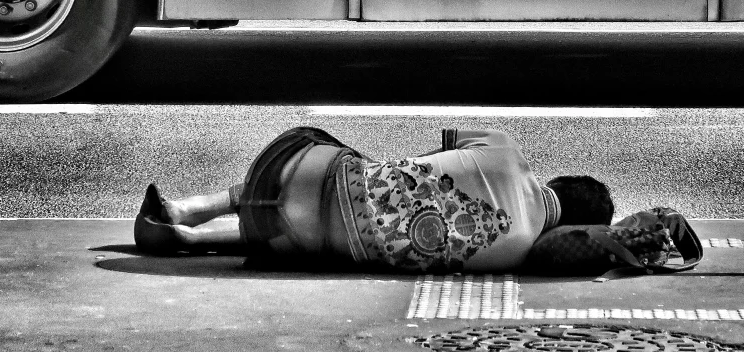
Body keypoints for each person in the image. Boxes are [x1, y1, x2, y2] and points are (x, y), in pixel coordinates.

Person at [134, 126, 613, 272]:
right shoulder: (520, 251)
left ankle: (187, 209)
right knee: (324, 231)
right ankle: (184, 238)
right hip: (318, 246)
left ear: (558, 179)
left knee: (349, 170)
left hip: (305, 175)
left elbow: (428, 156)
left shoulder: (505, 146)